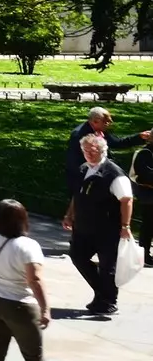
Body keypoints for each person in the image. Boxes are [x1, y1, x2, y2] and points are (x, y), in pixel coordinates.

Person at [0, 198, 50, 361]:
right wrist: (45, 309)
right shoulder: (28, 246)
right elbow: (35, 280)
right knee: (33, 356)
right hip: (19, 306)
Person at [62, 131, 134, 316]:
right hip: (83, 227)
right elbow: (77, 195)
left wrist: (125, 226)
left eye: (92, 151)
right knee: (78, 256)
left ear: (103, 151)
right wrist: (69, 214)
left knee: (107, 266)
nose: (88, 154)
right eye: (85, 151)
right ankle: (102, 293)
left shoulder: (114, 174)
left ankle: (108, 302)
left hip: (107, 229)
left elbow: (126, 200)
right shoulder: (83, 169)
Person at [63, 105, 150, 195]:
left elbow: (117, 143)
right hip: (82, 177)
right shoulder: (79, 135)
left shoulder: (99, 129)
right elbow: (75, 161)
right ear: (95, 121)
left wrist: (139, 137)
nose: (109, 123)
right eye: (106, 121)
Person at [132, 140, 153, 266]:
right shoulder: (145, 153)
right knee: (148, 225)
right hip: (149, 197)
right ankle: (144, 255)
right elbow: (145, 176)